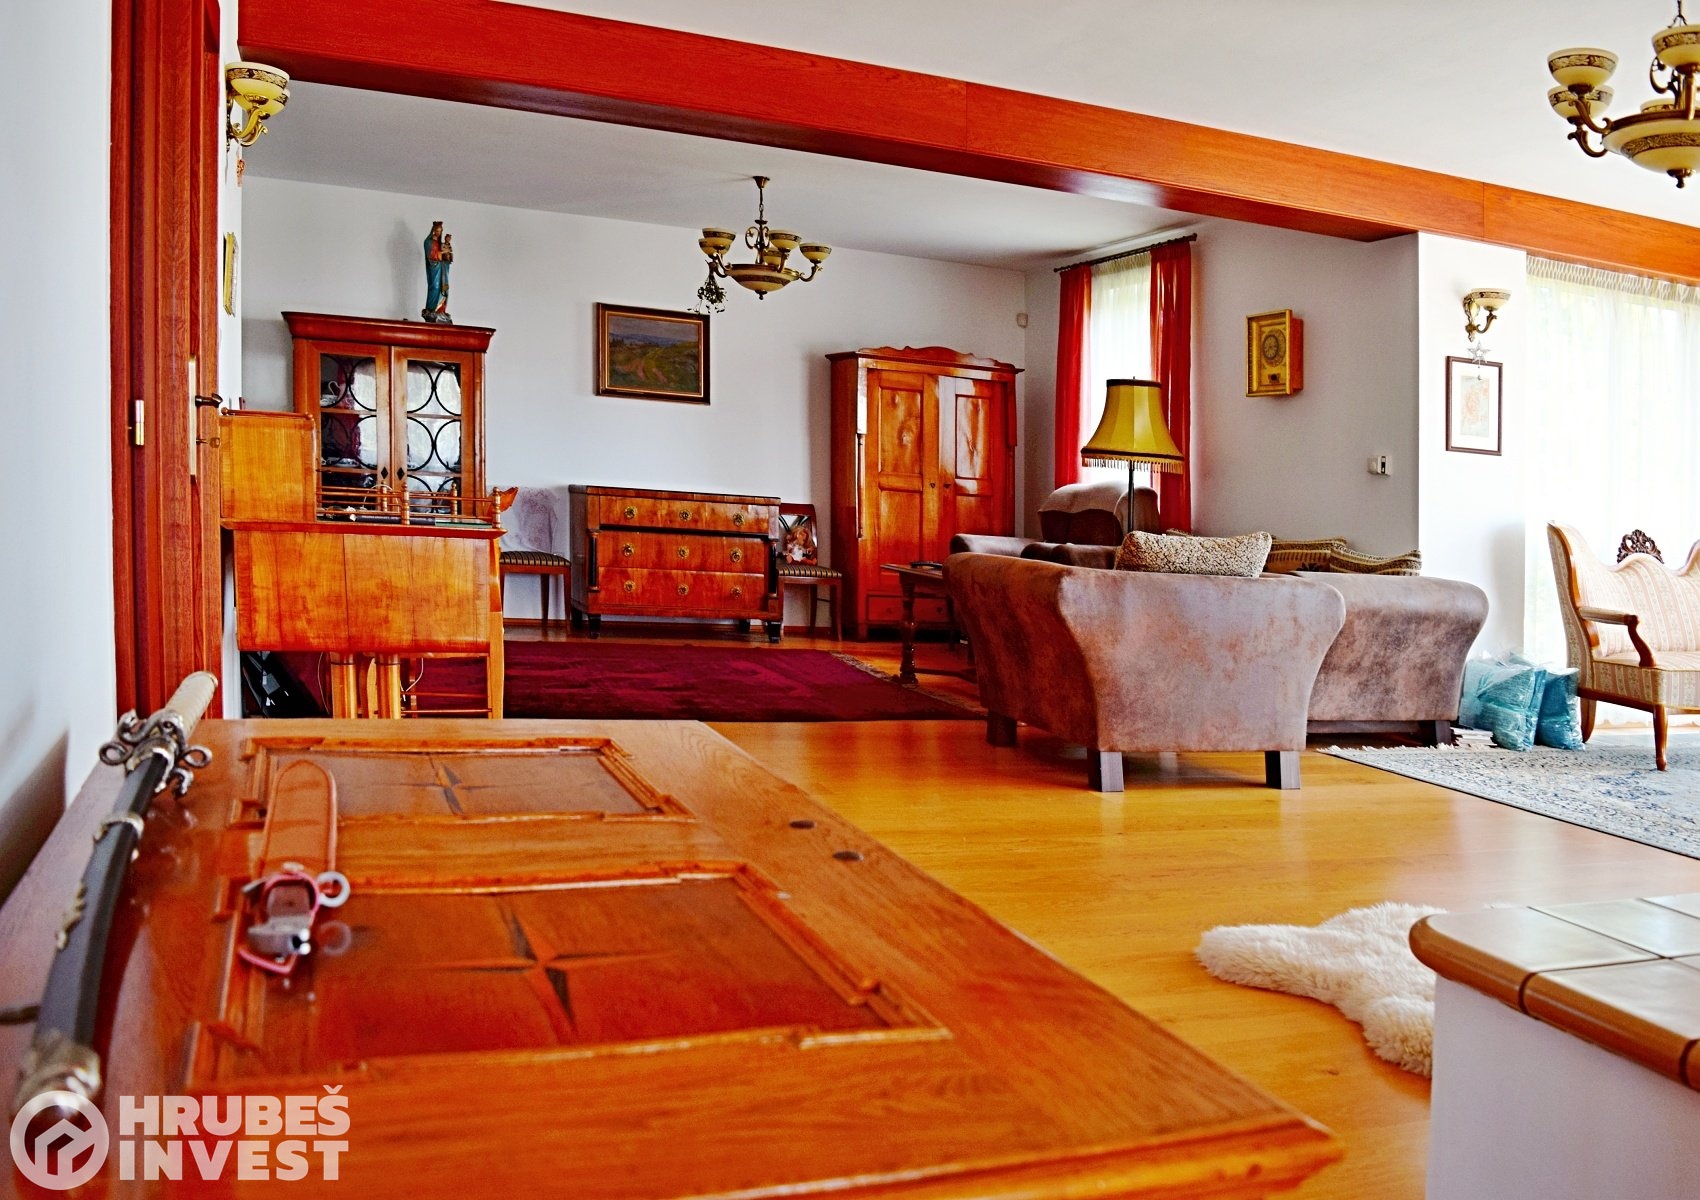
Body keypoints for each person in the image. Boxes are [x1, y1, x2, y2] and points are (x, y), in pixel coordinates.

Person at [423, 221, 453, 323]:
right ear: (433, 231)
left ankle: (441, 311)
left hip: (443, 269)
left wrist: (447, 257)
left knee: (444, 288)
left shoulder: (441, 244)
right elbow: (431, 256)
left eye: (440, 231)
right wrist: (441, 254)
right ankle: (432, 309)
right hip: (434, 269)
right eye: (437, 231)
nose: (439, 233)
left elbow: (445, 255)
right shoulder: (428, 242)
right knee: (435, 287)